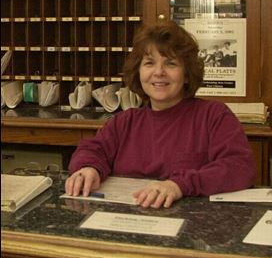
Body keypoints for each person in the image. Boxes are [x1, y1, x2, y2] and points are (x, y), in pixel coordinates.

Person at [65, 21, 256, 209]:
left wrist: (178, 185)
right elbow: (91, 150)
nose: (159, 72)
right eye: (149, 63)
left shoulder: (214, 116)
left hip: (192, 229)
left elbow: (239, 167)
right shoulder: (124, 122)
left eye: (170, 64)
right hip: (128, 224)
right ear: (138, 72)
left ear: (187, 74)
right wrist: (88, 168)